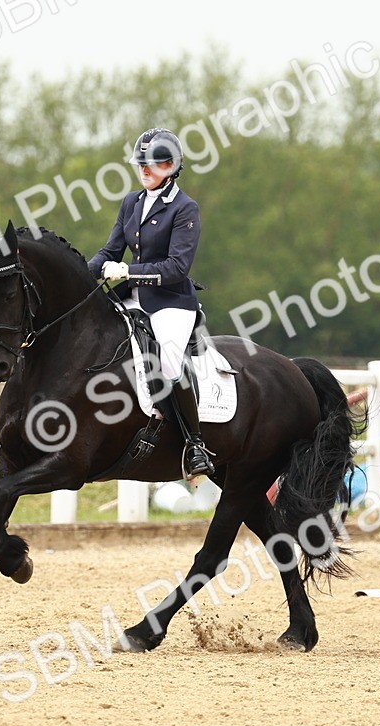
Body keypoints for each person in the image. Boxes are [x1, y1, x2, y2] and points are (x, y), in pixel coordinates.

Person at [88, 127, 214, 478]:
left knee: (169, 364)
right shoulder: (131, 202)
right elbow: (110, 251)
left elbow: (176, 267)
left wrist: (128, 271)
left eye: (152, 164)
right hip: (132, 298)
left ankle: (195, 445)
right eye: (141, 164)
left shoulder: (185, 208)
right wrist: (80, 274)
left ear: (171, 167)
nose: (144, 170)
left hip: (170, 302)